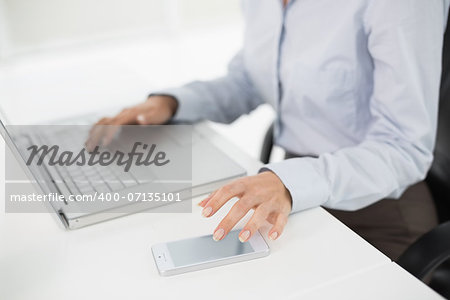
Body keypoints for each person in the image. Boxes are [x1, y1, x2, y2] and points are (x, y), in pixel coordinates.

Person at [87, 0, 450, 260]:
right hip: (293, 196)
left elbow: (405, 148)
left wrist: (290, 183)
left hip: (379, 207)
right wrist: (172, 103)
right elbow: (250, 79)